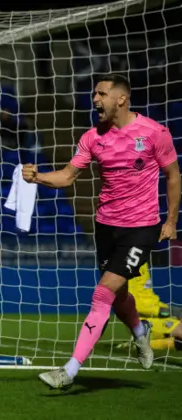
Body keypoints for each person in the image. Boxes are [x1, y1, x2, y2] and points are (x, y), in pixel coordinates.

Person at [22, 73, 180, 389]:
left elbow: (173, 176)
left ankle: (69, 370)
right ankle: (140, 332)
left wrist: (171, 221)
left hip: (142, 228)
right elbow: (68, 176)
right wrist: (37, 176)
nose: (95, 99)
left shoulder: (153, 133)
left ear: (121, 98)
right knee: (120, 295)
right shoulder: (92, 138)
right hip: (106, 226)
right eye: (95, 93)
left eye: (101, 93)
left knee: (103, 293)